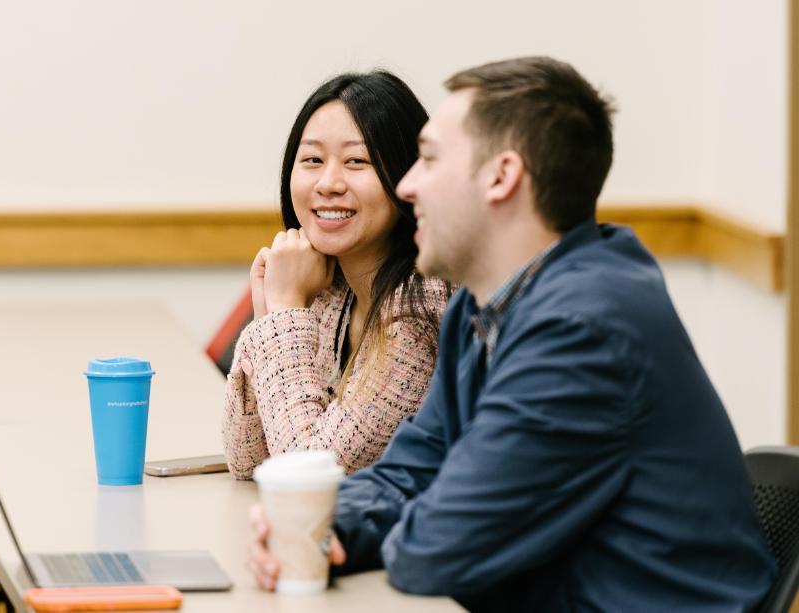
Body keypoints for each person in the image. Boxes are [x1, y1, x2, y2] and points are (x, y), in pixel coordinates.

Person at [247, 57, 776, 611]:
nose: (407, 184)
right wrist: (326, 527)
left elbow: (440, 546)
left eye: (428, 159)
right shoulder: (481, 309)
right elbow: (408, 476)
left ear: (501, 177)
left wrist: (340, 530)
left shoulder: (583, 329)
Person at [222, 71, 451, 479]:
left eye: (356, 161)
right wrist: (269, 313)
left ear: (406, 177)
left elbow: (304, 473)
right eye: (312, 160)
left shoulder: (420, 306)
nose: (328, 183)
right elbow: (248, 459)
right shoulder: (335, 288)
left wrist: (285, 311)